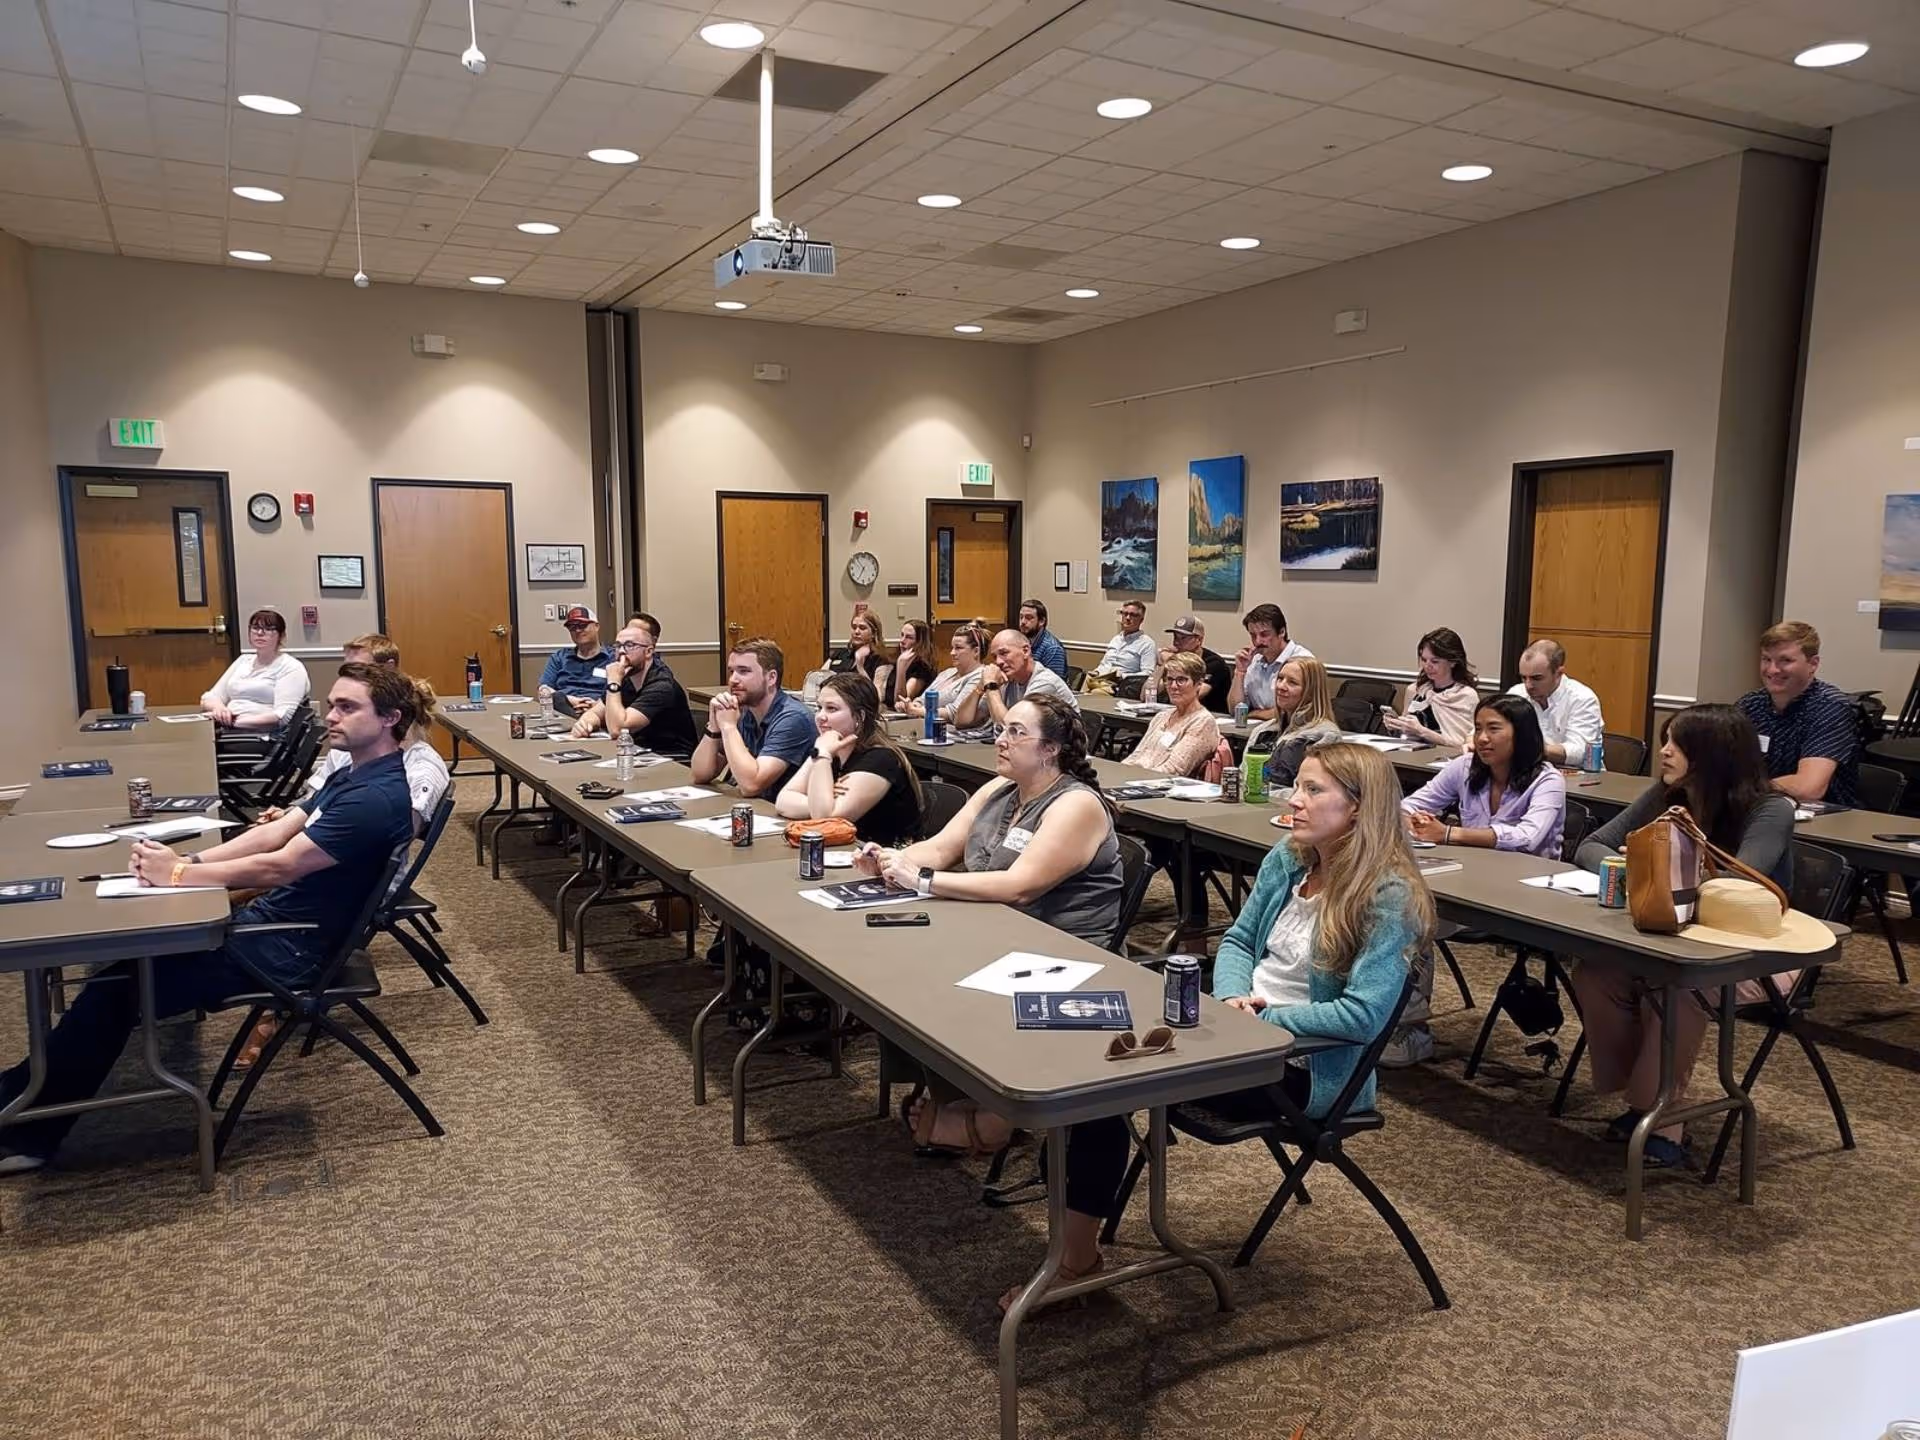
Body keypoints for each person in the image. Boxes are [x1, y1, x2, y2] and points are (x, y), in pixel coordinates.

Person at [995, 742, 1435, 1310]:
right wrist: (1232, 998)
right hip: (1235, 1030)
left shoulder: (1388, 895)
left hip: (1302, 1067)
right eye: (1296, 785)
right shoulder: (1291, 856)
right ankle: (1070, 1242)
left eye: (1312, 790)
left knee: (1099, 1089)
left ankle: (1075, 1261)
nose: (1293, 802)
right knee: (1086, 1052)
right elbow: (1239, 942)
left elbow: (1364, 1016)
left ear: (1358, 808)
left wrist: (1263, 1018)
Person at [0, 663, 419, 1175]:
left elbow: (278, 866)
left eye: (347, 707)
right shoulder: (351, 772)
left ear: (390, 719)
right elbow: (269, 836)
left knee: (117, 988)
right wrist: (191, 864)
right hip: (269, 926)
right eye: (332, 703)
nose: (330, 716)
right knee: (121, 972)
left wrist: (175, 875)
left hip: (287, 949)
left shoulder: (375, 797)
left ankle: (30, 1134)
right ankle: (20, 1091)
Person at [857, 695, 1125, 1155]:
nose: (1001, 740)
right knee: (890, 965)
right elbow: (940, 850)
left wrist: (921, 881)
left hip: (1062, 954)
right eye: (1003, 730)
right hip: (994, 932)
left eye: (1017, 732)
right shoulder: (998, 791)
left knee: (929, 975)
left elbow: (1021, 886)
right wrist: (890, 858)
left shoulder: (1076, 805)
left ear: (1050, 750)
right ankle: (958, 1094)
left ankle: (995, 1117)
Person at [1572, 703, 1796, 1168]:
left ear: (1712, 754)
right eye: (1664, 741)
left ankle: (1663, 1119)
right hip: (1674, 935)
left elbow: (1741, 886)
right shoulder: (1668, 795)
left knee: (1681, 985)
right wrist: (1636, 870)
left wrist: (1664, 879)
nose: (1665, 753)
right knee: (1596, 970)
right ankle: (1642, 1099)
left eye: (1676, 744)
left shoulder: (1770, 809)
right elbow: (1591, 846)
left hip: (1762, 950)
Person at [1402, 694, 1566, 857]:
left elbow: (1527, 838)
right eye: (1478, 729)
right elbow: (1407, 805)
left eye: (1493, 729)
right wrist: (1413, 821)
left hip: (1528, 874)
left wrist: (1448, 833)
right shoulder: (1464, 766)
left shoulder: (1548, 780)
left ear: (1521, 734)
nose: (1481, 738)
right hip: (1471, 864)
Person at [774, 672, 923, 845]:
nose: (820, 716)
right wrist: (823, 799)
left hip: (884, 860)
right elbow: (783, 800)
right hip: (846, 852)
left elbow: (826, 819)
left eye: (831, 709)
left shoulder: (880, 759)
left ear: (860, 716)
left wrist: (822, 756)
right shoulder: (830, 748)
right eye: (819, 707)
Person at [1736, 620, 1860, 807]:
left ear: (1813, 664)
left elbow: (1809, 788)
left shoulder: (1830, 707)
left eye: (1785, 660)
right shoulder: (1750, 704)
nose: (1772, 670)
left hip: (1822, 820)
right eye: (1766, 659)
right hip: (1761, 808)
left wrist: (1745, 789)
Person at [691, 638, 815, 798]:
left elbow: (752, 785)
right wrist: (714, 726)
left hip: (786, 816)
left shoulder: (793, 718)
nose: (733, 680)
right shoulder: (744, 712)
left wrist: (728, 727)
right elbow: (700, 775)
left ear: (771, 678)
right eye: (732, 671)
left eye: (744, 671)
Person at [568, 622, 698, 760]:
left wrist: (613, 682)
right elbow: (596, 712)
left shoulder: (662, 685)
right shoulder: (626, 679)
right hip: (638, 752)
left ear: (648, 652)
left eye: (630, 645)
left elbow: (618, 730)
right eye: (618, 646)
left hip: (671, 759)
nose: (622, 651)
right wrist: (585, 723)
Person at [952, 629, 1078, 739]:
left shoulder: (1045, 683)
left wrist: (991, 687)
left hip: (1059, 757)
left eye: (1004, 653)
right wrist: (980, 687)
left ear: (1025, 651)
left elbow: (1012, 730)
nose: (999, 662)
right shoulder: (1007, 679)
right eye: (994, 657)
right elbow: (962, 721)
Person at [200, 607, 310, 730]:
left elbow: (282, 716)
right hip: (226, 728)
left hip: (260, 735)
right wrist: (220, 710)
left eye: (268, 629)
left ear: (281, 635)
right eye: (255, 628)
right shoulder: (243, 661)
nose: (260, 633)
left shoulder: (291, 667)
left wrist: (234, 722)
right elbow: (209, 698)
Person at [1508, 639, 1605, 767]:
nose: (1528, 685)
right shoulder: (1517, 693)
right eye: (1523, 677)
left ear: (1558, 673)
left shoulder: (1582, 698)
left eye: (1536, 678)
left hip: (1577, 779)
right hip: (1530, 773)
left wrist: (1529, 748)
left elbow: (1579, 752)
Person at [1120, 652, 1221, 776]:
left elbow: (1174, 770)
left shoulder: (1203, 722)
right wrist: (1120, 772)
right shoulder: (1161, 717)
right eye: (1170, 680)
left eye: (1181, 680)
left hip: (1158, 786)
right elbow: (1136, 755)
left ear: (1198, 684)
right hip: (1135, 779)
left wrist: (1133, 778)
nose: (1173, 686)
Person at [1382, 627, 1479, 748]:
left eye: (1435, 661)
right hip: (1411, 755)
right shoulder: (1416, 690)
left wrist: (1422, 731)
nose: (1427, 666)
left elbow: (1462, 744)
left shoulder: (1465, 695)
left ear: (1453, 662)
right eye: (1424, 660)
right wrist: (1395, 724)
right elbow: (1405, 732)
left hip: (1443, 759)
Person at [1266, 656, 1342, 787]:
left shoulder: (1325, 735)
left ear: (1311, 692)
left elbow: (1313, 790)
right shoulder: (1264, 730)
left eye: (1292, 682)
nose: (1281, 686)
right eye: (1280, 678)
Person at [1227, 603, 1311, 720]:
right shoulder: (1253, 660)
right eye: (1253, 635)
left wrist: (1253, 714)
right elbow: (1235, 710)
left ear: (1281, 632)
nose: (1257, 641)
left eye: (1264, 634)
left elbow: (1297, 711)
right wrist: (1240, 672)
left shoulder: (1303, 660)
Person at [538, 606, 615, 718]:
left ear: (597, 626)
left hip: (600, 711)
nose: (577, 630)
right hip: (564, 709)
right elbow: (543, 689)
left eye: (582, 625)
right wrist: (571, 700)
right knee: (556, 698)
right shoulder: (559, 657)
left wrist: (598, 706)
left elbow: (618, 690)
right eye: (572, 627)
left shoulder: (613, 657)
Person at [905, 625, 989, 728]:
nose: (952, 653)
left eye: (958, 648)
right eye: (952, 648)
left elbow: (953, 713)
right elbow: (923, 699)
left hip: (955, 734)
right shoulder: (947, 673)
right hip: (925, 725)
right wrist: (912, 705)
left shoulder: (980, 675)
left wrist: (917, 711)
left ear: (976, 651)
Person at [1159, 614, 1232, 714]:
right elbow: (1147, 694)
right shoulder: (1174, 660)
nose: (1176, 643)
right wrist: (1162, 665)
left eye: (1183, 638)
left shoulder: (1214, 663)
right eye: (1175, 637)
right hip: (1179, 713)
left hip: (1211, 716)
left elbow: (1193, 695)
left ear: (1199, 640)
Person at [1092, 600, 1156, 677]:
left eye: (1133, 615)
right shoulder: (1116, 639)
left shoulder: (1147, 643)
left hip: (1122, 684)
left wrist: (1122, 676)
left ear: (1141, 620)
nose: (1128, 618)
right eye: (1125, 614)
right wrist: (1097, 672)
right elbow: (1104, 664)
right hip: (1099, 679)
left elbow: (1147, 673)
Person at [883, 620, 937, 709]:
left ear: (920, 642)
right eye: (902, 635)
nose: (902, 641)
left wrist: (901, 670)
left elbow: (901, 701)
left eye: (909, 637)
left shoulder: (922, 666)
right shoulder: (898, 659)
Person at [828, 612, 889, 685]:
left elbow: (877, 695)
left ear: (873, 633)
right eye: (854, 627)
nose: (856, 632)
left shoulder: (881, 659)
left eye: (862, 628)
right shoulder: (840, 653)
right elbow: (819, 675)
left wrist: (860, 667)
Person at [1017, 599, 1068, 679]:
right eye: (1021, 617)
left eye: (1028, 618)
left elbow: (1051, 685)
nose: (1023, 622)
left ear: (1041, 621)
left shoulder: (1053, 648)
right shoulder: (1020, 641)